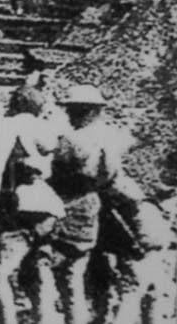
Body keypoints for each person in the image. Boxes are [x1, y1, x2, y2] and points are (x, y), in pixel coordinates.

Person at [0, 82, 67, 324]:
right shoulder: (49, 129)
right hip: (49, 205)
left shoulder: (9, 124)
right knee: (37, 270)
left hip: (20, 203)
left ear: (16, 103)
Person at [50, 84, 137, 324]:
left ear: (86, 111)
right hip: (101, 203)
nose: (69, 114)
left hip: (73, 205)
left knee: (68, 273)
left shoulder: (71, 140)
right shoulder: (113, 136)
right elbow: (111, 173)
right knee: (101, 268)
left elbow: (53, 173)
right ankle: (102, 315)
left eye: (73, 110)